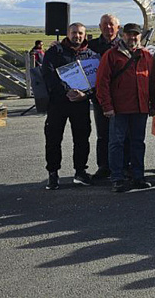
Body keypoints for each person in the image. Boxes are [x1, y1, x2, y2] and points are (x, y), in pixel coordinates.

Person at [96, 23, 154, 193]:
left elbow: (151, 82)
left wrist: (152, 104)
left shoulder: (145, 56)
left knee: (138, 143)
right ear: (122, 35)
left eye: (135, 35)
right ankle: (117, 178)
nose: (132, 38)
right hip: (118, 108)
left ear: (140, 36)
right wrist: (107, 106)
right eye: (129, 35)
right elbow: (102, 83)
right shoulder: (111, 55)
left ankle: (138, 176)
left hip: (140, 107)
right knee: (116, 143)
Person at [41, 23, 99, 190]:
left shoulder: (91, 55)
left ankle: (80, 172)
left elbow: (96, 81)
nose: (77, 36)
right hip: (58, 103)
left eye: (80, 33)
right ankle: (53, 174)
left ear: (85, 35)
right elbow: (48, 75)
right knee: (53, 139)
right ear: (68, 34)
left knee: (82, 139)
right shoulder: (55, 52)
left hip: (80, 104)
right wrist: (66, 91)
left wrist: (85, 95)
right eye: (74, 33)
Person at [89, 13, 121, 180]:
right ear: (99, 27)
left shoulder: (125, 46)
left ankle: (124, 166)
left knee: (124, 133)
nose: (108, 27)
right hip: (100, 97)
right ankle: (104, 167)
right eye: (105, 24)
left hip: (122, 96)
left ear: (118, 28)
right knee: (103, 133)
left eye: (111, 24)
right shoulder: (91, 46)